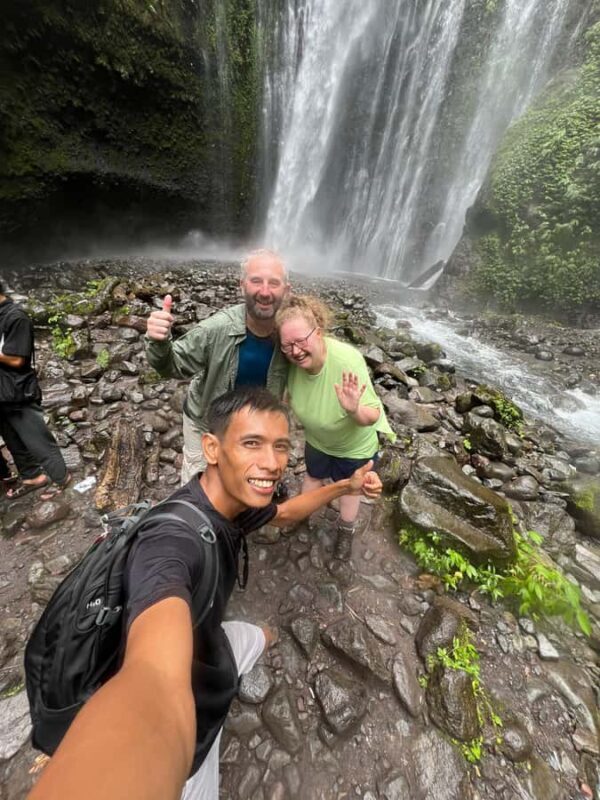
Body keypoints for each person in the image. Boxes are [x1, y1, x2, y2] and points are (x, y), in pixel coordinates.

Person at [27, 387, 382, 800]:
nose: (272, 463)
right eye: (252, 443)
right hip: (190, 746)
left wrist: (345, 487)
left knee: (259, 635)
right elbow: (155, 679)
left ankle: (257, 640)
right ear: (211, 448)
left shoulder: (229, 498)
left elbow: (284, 515)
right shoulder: (170, 545)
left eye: (281, 447)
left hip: (209, 646)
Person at [145, 249, 290, 483]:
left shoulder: (292, 335)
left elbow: (317, 365)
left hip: (255, 427)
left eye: (273, 283)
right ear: (241, 286)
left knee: (244, 482)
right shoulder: (215, 330)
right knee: (198, 487)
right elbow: (172, 366)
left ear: (286, 290)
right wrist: (158, 341)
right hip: (206, 424)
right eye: (256, 281)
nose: (265, 291)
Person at [275, 295, 395, 562]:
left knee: (350, 489)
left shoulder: (347, 360)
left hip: (354, 447)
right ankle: (300, 517)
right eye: (288, 345)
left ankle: (345, 532)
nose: (295, 351)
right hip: (318, 441)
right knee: (312, 477)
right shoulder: (290, 364)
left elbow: (373, 415)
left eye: (301, 341)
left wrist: (354, 409)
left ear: (318, 333)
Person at [0, 279, 70, 498]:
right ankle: (32, 477)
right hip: (1, 392)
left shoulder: (16, 317)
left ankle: (61, 480)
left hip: (18, 391)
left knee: (38, 439)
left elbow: (17, 359)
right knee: (13, 441)